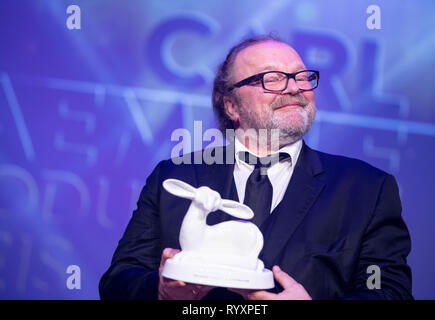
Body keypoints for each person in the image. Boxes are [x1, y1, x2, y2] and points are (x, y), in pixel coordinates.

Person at [99, 35, 413, 300]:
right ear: (231, 105)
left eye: (302, 76)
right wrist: (161, 290)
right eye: (272, 78)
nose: (294, 88)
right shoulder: (174, 175)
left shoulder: (367, 188)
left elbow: (390, 291)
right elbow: (117, 281)